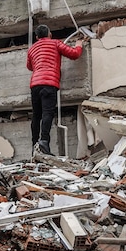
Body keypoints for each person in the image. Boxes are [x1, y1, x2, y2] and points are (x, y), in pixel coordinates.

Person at [26, 25, 84, 155]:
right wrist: (79, 44)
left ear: (36, 37)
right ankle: (44, 142)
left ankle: (35, 145)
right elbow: (74, 54)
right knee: (48, 113)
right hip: (49, 83)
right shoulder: (55, 43)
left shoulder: (32, 49)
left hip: (35, 84)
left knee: (36, 116)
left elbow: (29, 66)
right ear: (49, 34)